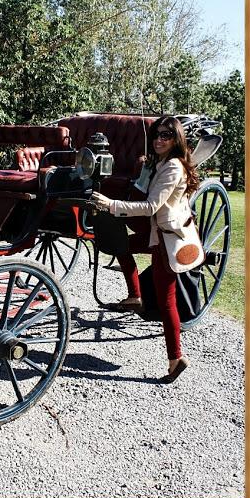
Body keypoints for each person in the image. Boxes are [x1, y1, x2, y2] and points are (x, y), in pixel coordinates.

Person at [89, 116, 200, 383]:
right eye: (156, 134)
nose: (159, 140)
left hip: (167, 240)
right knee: (121, 246)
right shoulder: (160, 162)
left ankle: (176, 358)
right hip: (156, 233)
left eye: (166, 135)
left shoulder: (173, 167)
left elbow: (151, 206)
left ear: (177, 139)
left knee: (167, 300)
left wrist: (110, 204)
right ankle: (135, 295)